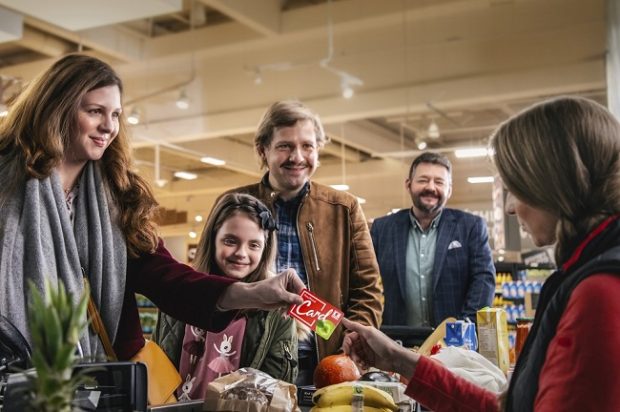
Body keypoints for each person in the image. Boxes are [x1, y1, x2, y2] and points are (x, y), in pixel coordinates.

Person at [0, 54, 304, 362]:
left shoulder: (117, 196)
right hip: (14, 371)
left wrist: (251, 293)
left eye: (116, 114)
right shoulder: (6, 186)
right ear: (58, 108)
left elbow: (165, 277)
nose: (108, 126)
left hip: (99, 376)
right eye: (95, 111)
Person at [342, 96, 620, 411]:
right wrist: (398, 358)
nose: (511, 208)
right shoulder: (583, 274)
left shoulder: (598, 294)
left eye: (517, 189)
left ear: (555, 184)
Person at [220, 100, 383, 385]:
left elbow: (368, 289)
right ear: (263, 150)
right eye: (285, 146)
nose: (297, 156)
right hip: (245, 361)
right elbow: (208, 276)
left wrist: (352, 340)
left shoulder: (344, 208)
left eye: (307, 146)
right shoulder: (233, 204)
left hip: (322, 364)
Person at [154, 193, 299, 400]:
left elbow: (277, 387)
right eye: (230, 241)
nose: (241, 253)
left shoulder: (276, 313)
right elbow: (158, 365)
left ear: (265, 249)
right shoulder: (181, 293)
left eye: (254, 245)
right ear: (213, 239)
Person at [371, 152, 495, 327]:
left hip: (455, 344)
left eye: (439, 182)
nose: (431, 187)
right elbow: (364, 279)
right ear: (408, 185)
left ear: (449, 189)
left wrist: (466, 326)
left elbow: (483, 278)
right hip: (397, 342)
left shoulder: (470, 226)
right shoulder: (383, 228)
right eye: (423, 180)